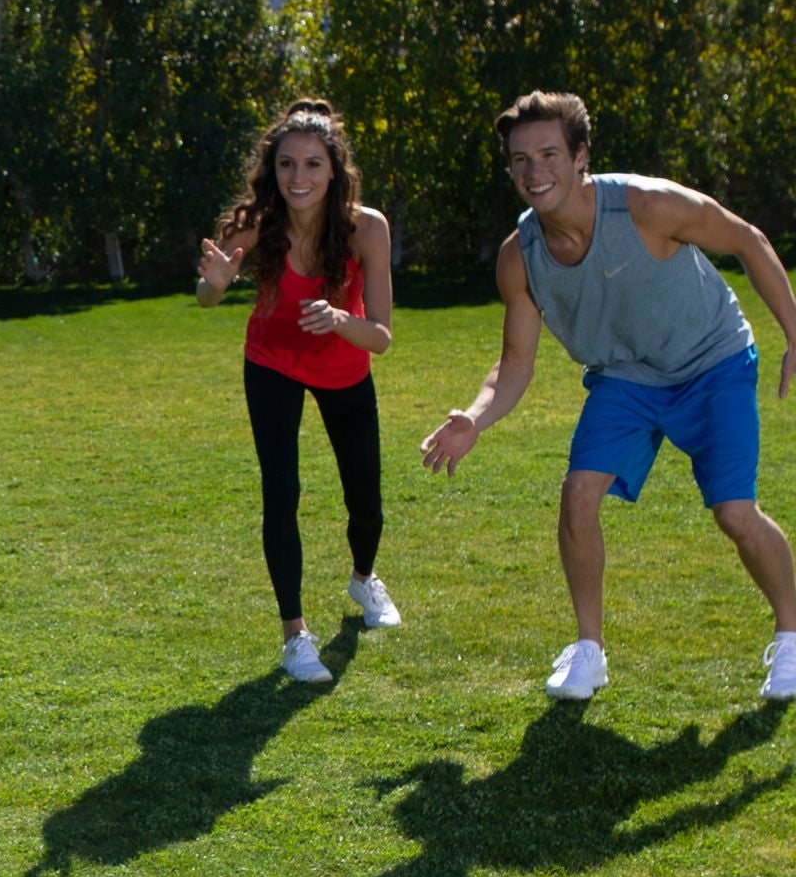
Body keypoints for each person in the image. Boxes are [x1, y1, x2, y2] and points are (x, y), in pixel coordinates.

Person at [421, 90, 796, 702]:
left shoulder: (647, 205)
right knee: (578, 492)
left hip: (713, 359)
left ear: (580, 158)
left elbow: (746, 239)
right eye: (520, 160)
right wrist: (475, 418)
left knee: (734, 513)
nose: (534, 171)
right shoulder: (521, 258)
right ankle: (589, 651)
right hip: (626, 376)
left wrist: (794, 328)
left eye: (548, 154)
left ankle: (791, 637)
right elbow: (515, 364)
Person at [198, 98, 399, 684]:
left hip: (344, 365)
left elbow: (382, 336)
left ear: (334, 169)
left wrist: (338, 318)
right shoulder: (254, 225)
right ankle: (295, 635)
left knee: (366, 500)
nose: (299, 178)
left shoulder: (369, 228)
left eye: (313, 164)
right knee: (281, 489)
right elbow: (207, 297)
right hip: (273, 362)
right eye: (287, 165)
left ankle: (364, 580)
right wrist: (212, 287)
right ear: (272, 171)